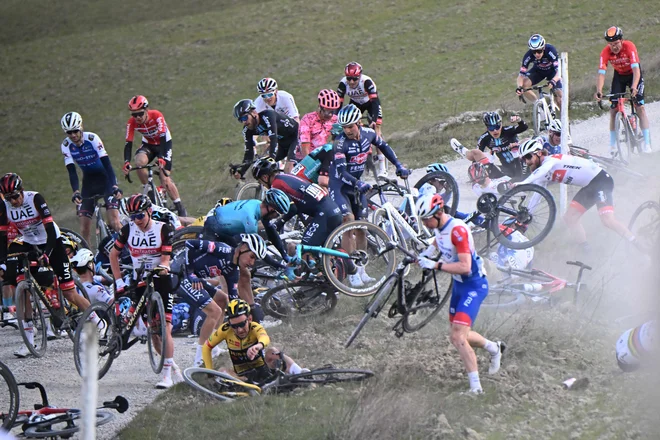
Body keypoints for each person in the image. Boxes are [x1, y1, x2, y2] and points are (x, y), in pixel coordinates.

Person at [415, 193, 505, 394]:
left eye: (426, 219)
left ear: (438, 213)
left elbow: (465, 267)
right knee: (459, 333)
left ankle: (476, 389)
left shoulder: (458, 231)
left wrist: (436, 264)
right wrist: (425, 255)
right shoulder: (439, 226)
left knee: (457, 337)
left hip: (473, 285)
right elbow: (438, 241)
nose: (425, 223)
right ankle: (494, 348)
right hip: (459, 286)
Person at [0, 173, 97, 357]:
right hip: (28, 241)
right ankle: (29, 341)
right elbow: (3, 236)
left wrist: (47, 253)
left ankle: (96, 319)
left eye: (15, 196)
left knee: (69, 291)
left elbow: (50, 228)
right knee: (22, 287)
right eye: (8, 198)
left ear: (21, 191)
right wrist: (3, 262)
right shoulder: (4, 206)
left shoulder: (35, 198)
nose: (12, 201)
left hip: (51, 240)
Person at [329, 105, 410, 285]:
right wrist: (358, 183)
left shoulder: (369, 134)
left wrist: (398, 166)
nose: (347, 130)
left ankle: (361, 269)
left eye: (350, 126)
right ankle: (352, 273)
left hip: (356, 188)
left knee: (363, 228)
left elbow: (386, 148)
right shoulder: (340, 144)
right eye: (344, 127)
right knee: (349, 223)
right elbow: (342, 173)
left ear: (358, 122)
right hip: (340, 187)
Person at [109, 194, 181, 388]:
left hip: (160, 279)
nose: (136, 221)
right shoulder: (128, 229)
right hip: (139, 279)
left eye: (139, 216)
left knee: (165, 327)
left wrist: (164, 267)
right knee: (154, 331)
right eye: (132, 217)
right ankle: (171, 364)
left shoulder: (163, 228)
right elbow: (113, 254)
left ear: (149, 211)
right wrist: (119, 281)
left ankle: (166, 375)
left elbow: (165, 259)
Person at [517, 138, 638, 252]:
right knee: (570, 218)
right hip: (590, 186)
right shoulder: (542, 174)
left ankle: (636, 243)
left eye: (528, 157)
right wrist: (527, 215)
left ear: (539, 153)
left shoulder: (550, 161)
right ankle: (586, 251)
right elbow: (537, 195)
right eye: (523, 159)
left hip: (601, 181)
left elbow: (541, 171)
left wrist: (521, 183)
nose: (527, 162)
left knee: (607, 220)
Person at [172, 235, 267, 367]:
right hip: (179, 273)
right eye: (252, 256)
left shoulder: (233, 271)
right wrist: (190, 273)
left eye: (255, 260)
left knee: (223, 299)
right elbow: (189, 244)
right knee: (214, 311)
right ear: (243, 248)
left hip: (195, 279)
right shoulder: (223, 250)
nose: (252, 263)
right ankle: (200, 358)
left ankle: (213, 345)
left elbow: (233, 302)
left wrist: (245, 322)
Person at [203, 191, 294, 313]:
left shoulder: (258, 205)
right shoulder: (250, 219)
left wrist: (284, 255)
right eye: (277, 214)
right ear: (271, 208)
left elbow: (271, 231)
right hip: (214, 230)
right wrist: (280, 266)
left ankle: (251, 310)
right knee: (229, 273)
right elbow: (257, 250)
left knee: (244, 274)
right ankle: (227, 311)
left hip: (225, 229)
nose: (276, 217)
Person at [252, 158, 344, 269]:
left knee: (305, 249)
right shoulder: (285, 177)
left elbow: (292, 209)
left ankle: (327, 278)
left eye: (260, 181)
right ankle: (333, 274)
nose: (262, 185)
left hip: (324, 214)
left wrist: (278, 224)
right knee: (319, 253)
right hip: (329, 211)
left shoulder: (276, 185)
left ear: (265, 177)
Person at [202, 299, 307, 382]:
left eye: (242, 324)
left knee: (273, 351)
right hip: (242, 375)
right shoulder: (225, 329)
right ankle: (244, 385)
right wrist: (210, 373)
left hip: (262, 368)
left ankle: (300, 373)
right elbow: (206, 347)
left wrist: (258, 346)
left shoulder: (254, 327)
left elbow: (265, 338)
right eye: (234, 326)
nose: (239, 329)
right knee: (222, 371)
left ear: (250, 319)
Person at [60, 112, 122, 245]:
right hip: (88, 183)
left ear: (81, 127)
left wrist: (114, 186)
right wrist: (76, 191)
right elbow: (72, 171)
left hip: (105, 180)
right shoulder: (66, 145)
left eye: (75, 131)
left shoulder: (92, 139)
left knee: (115, 222)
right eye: (69, 133)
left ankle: (130, 250)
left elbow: (107, 164)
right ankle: (89, 261)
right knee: (84, 229)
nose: (73, 135)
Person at [122, 95, 187, 216]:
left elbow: (162, 136)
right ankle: (151, 192)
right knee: (139, 162)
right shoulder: (131, 123)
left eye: (140, 114)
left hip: (164, 144)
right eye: (134, 115)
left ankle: (180, 207)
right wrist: (126, 162)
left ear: (147, 110)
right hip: (148, 145)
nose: (137, 118)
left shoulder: (156, 115)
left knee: (165, 178)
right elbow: (128, 142)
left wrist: (162, 157)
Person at [594, 26, 652, 155]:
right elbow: (601, 73)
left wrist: (635, 86)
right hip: (619, 76)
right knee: (613, 110)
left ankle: (647, 143)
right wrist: (599, 90)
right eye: (611, 44)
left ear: (621, 40)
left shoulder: (629, 46)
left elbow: (637, 70)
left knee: (639, 107)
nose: (614, 47)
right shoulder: (605, 52)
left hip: (633, 75)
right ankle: (613, 145)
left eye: (616, 44)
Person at [337, 62, 387, 176]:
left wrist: (374, 120)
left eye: (354, 79)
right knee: (350, 127)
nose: (351, 82)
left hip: (370, 103)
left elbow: (374, 102)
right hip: (355, 103)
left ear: (359, 76)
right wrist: (336, 118)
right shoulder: (343, 84)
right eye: (349, 78)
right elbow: (338, 104)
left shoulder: (366, 82)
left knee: (376, 131)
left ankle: (382, 168)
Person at [233, 99, 300, 174]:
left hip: (296, 136)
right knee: (261, 166)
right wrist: (241, 171)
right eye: (240, 120)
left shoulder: (268, 116)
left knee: (288, 169)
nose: (244, 122)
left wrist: (271, 159)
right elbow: (249, 152)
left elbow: (273, 138)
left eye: (245, 118)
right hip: (282, 142)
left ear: (254, 112)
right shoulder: (247, 130)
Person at [475, 112, 528, 180]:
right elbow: (477, 154)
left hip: (521, 163)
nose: (495, 130)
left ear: (501, 124)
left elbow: (524, 127)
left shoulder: (508, 130)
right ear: (487, 128)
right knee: (488, 170)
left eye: (497, 127)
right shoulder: (484, 138)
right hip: (506, 168)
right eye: (491, 128)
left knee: (527, 140)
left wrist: (518, 120)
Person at [516, 34, 563, 109]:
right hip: (539, 71)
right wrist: (519, 87)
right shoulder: (528, 55)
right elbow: (521, 75)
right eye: (534, 51)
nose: (537, 54)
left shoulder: (550, 50)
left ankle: (564, 118)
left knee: (560, 98)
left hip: (552, 71)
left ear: (543, 48)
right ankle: (539, 106)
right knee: (524, 85)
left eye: (539, 51)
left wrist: (553, 80)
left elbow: (559, 71)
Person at [292, 123, 343, 189]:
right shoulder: (331, 151)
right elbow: (323, 182)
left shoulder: (327, 147)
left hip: (295, 179)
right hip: (298, 183)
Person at [298, 89, 340, 158]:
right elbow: (305, 146)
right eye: (327, 112)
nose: (329, 115)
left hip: (324, 156)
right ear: (319, 107)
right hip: (306, 157)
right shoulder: (307, 120)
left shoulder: (336, 119)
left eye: (332, 112)